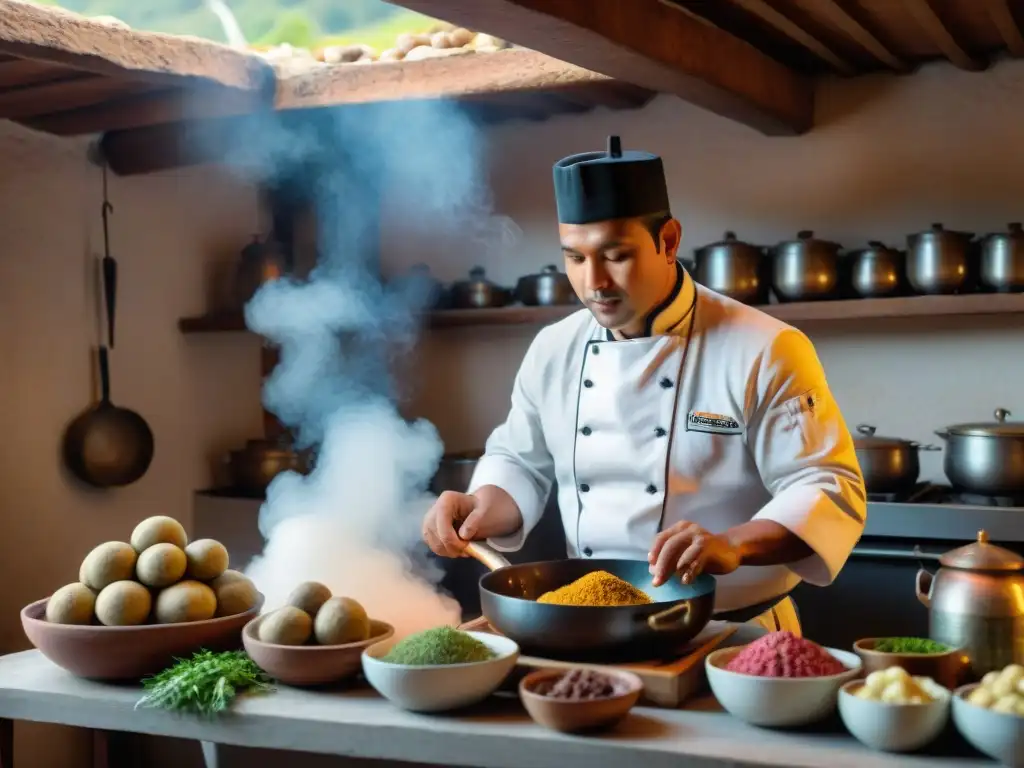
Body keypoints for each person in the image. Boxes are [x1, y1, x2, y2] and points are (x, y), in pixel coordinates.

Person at [422, 136, 866, 633]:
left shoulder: (765, 348)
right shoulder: (554, 349)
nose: (595, 283)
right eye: (575, 258)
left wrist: (733, 544)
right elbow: (520, 462)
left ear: (669, 241)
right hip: (590, 628)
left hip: (734, 636)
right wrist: (480, 508)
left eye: (616, 255)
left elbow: (827, 487)